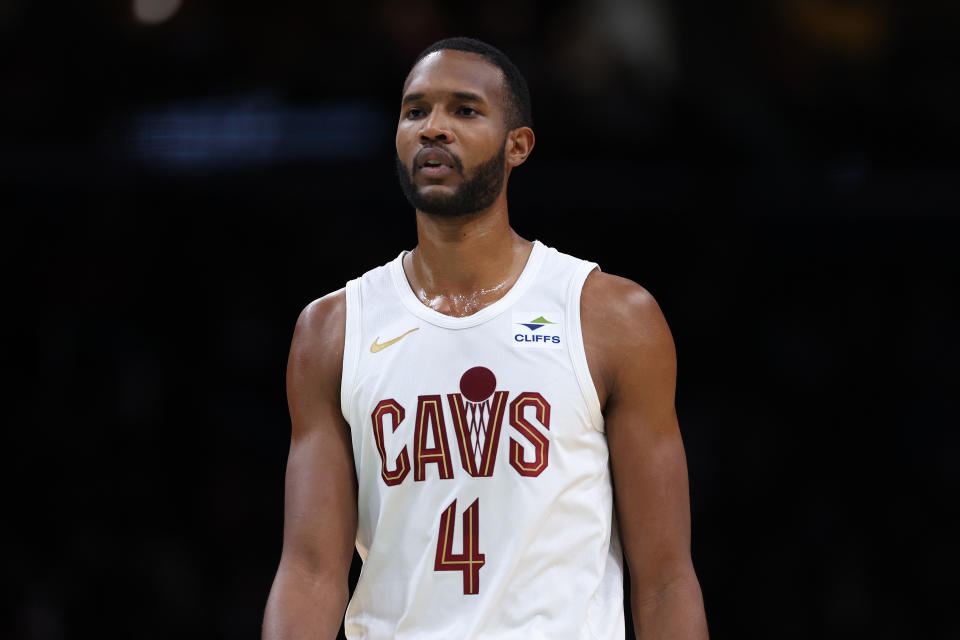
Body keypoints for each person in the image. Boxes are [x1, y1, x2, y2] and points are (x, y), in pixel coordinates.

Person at [262, 37, 708, 639]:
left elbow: (665, 580)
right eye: (415, 111)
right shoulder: (332, 329)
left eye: (464, 110)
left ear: (517, 145)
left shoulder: (610, 317)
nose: (433, 129)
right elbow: (311, 569)